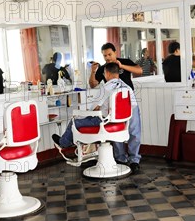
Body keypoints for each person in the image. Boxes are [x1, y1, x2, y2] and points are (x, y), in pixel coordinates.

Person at [53, 63, 137, 165]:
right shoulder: (126, 87)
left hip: (104, 122)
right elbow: (132, 106)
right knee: (86, 118)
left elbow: (94, 108)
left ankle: (63, 143)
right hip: (121, 123)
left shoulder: (105, 88)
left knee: (75, 121)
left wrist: (81, 114)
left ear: (107, 73)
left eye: (104, 73)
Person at [89, 43, 142, 172]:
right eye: (105, 55)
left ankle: (134, 159)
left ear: (115, 52)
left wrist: (121, 66)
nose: (107, 58)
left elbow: (140, 71)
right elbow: (93, 84)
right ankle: (120, 158)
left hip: (129, 102)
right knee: (116, 131)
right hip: (113, 105)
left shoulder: (124, 62)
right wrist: (93, 71)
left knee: (134, 132)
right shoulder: (103, 68)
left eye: (109, 54)